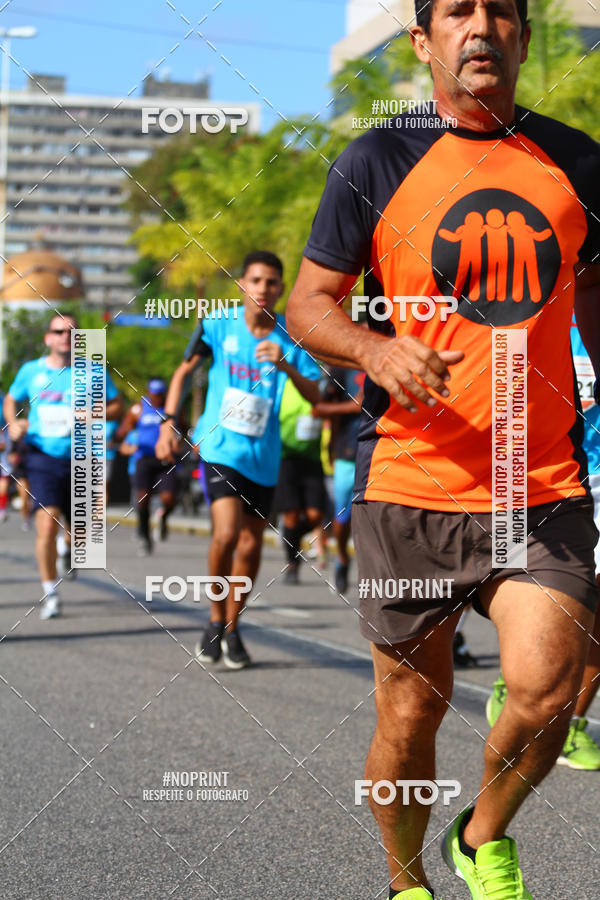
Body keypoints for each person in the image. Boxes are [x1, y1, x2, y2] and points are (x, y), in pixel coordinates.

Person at [285, 0, 600, 894]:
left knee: (549, 689)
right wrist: (376, 348)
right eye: (458, 11)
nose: (482, 26)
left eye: (502, 11)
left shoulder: (580, 163)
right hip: (410, 485)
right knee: (411, 712)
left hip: (539, 486)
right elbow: (310, 304)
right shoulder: (378, 158)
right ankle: (406, 879)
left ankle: (482, 835)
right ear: (423, 41)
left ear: (525, 38)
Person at [156, 251, 321, 669]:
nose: (263, 288)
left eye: (271, 282)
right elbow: (182, 372)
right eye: (256, 280)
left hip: (264, 456)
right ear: (242, 285)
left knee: (250, 546)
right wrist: (168, 425)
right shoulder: (217, 323)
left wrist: (285, 367)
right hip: (219, 447)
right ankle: (214, 618)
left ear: (281, 289)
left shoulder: (292, 335)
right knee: (227, 535)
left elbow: (318, 396)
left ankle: (233, 626)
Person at [487, 319, 600, 769]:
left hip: (598, 470)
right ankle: (517, 672)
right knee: (513, 582)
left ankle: (571, 722)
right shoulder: (534, 303)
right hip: (531, 471)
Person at [3, 314, 122, 619]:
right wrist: (15, 422)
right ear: (48, 338)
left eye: (72, 332)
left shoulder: (93, 371)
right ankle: (50, 592)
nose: (65, 337)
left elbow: (117, 406)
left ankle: (69, 547)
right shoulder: (32, 371)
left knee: (78, 528)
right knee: (47, 519)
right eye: (59, 332)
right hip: (42, 454)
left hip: (83, 456)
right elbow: (10, 398)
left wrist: (93, 412)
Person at [312, 367, 364, 593]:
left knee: (375, 516)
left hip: (381, 456)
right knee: (343, 518)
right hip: (347, 454)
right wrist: (353, 406)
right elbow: (318, 409)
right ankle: (342, 556)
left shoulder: (392, 359)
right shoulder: (341, 369)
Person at [115, 378, 180, 555]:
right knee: (142, 500)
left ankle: (163, 517)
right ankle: (145, 537)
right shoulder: (138, 409)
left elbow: (183, 429)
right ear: (149, 392)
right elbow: (123, 430)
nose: (158, 397)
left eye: (161, 393)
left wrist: (178, 442)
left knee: (169, 498)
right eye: (155, 393)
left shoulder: (172, 408)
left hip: (166, 459)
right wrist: (117, 439)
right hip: (144, 459)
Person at [275, 377, 326, 584]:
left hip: (312, 460)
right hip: (286, 459)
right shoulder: (282, 385)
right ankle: (292, 563)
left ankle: (289, 536)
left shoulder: (320, 383)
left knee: (315, 515)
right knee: (292, 515)